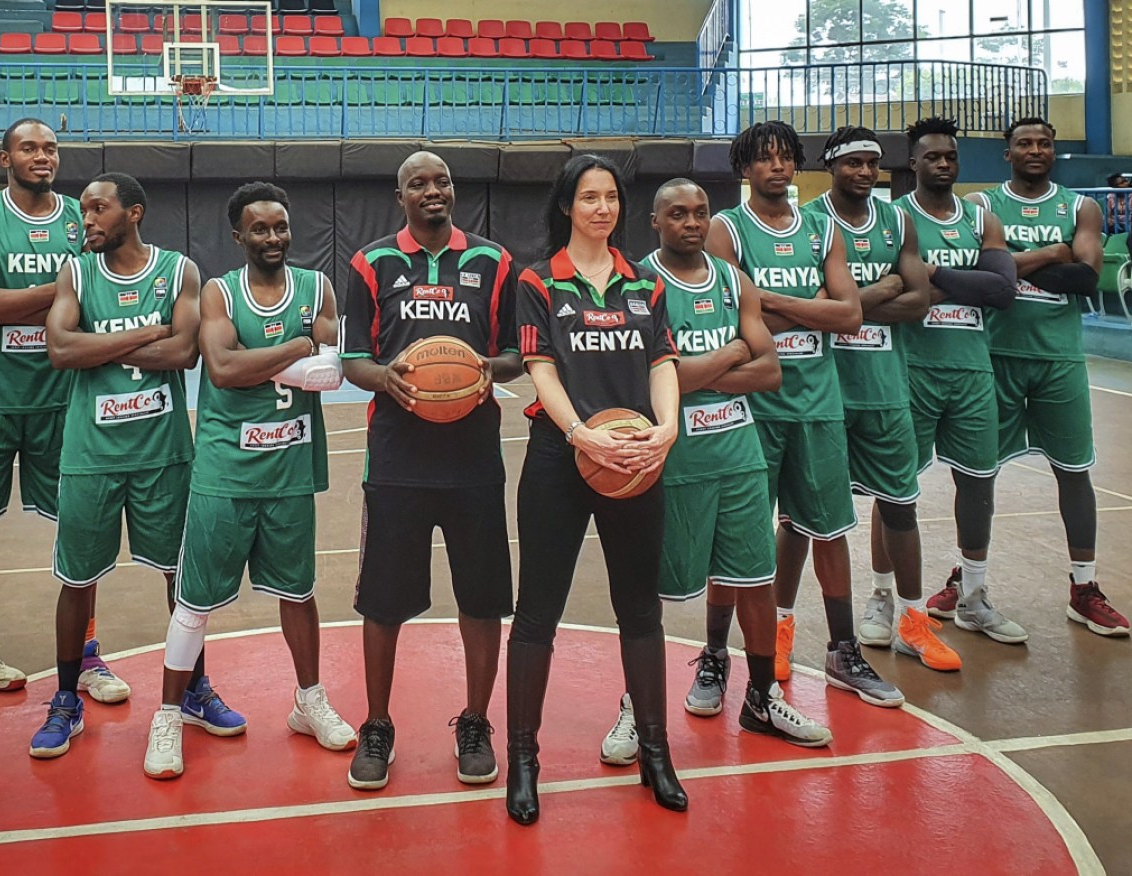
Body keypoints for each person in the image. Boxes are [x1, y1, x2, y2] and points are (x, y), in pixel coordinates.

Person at [600, 179, 831, 765]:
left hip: (739, 453)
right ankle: (637, 704)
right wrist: (730, 353)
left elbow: (770, 371)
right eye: (677, 213)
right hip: (670, 457)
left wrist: (694, 368)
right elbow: (652, 378)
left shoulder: (734, 280)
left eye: (701, 212)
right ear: (654, 221)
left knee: (756, 578)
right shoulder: (638, 283)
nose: (692, 222)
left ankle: (760, 697)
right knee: (651, 589)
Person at [0, 118, 128, 732]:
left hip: (63, 400)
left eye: (52, 147)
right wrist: (57, 289)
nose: (43, 156)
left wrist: (59, 298)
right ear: (3, 156)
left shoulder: (79, 216)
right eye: (30, 147)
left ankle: (86, 655)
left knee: (82, 530)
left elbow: (100, 297)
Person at [143, 181, 354, 779]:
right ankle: (168, 713)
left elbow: (330, 372)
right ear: (238, 236)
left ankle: (308, 700)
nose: (273, 237)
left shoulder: (318, 287)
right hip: (224, 471)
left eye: (281, 227)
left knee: (299, 593)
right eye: (259, 229)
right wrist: (296, 345)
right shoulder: (219, 292)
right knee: (194, 601)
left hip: (289, 469)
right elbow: (225, 368)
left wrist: (293, 358)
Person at [508, 153, 687, 826]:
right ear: (566, 206)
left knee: (640, 610)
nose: (601, 208)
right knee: (537, 613)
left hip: (636, 458)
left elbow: (662, 360)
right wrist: (581, 433)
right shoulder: (537, 281)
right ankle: (523, 761)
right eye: (588, 197)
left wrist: (667, 427)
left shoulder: (644, 282)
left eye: (610, 196)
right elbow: (538, 366)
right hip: (562, 457)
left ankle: (656, 753)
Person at [340, 152, 521, 791]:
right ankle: (378, 725)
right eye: (417, 182)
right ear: (400, 196)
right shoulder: (371, 264)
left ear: (454, 188)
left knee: (482, 599)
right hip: (395, 458)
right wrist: (387, 376)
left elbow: (515, 356)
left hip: (473, 459)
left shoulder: (494, 263)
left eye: (441, 180)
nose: (432, 190)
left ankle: (475, 722)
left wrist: (481, 371)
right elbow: (352, 359)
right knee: (383, 602)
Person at [707, 121, 902, 707]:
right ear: (745, 168)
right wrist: (812, 307)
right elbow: (729, 318)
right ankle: (715, 656)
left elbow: (847, 317)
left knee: (829, 528)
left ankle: (843, 650)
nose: (777, 168)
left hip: (817, 401)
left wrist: (768, 304)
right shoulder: (726, 229)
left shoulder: (821, 230)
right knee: (736, 536)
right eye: (764, 159)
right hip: (752, 406)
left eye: (786, 158)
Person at [32, 172, 220, 758]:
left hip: (163, 453)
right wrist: (148, 331)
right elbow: (60, 350)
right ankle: (66, 700)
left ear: (133, 213)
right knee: (76, 580)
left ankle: (194, 689)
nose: (86, 219)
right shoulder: (78, 273)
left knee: (181, 581)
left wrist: (102, 343)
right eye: (84, 210)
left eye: (98, 209)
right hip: (90, 453)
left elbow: (185, 352)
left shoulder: (178, 271)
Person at [802, 127, 959, 672]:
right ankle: (788, 625)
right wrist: (879, 290)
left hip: (888, 388)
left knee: (899, 505)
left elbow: (918, 302)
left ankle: (913, 620)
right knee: (807, 517)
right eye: (854, 163)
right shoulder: (812, 223)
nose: (866, 172)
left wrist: (850, 306)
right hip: (824, 390)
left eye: (873, 163)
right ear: (831, 167)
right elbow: (811, 306)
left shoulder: (898, 220)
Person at [966, 119, 1127, 636]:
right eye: (1025, 144)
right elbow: (982, 275)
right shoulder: (982, 206)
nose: (1036, 150)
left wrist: (1012, 266)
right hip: (996, 356)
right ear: (1007, 154)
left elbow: (1083, 277)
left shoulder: (1081, 206)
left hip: (1059, 359)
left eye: (1044, 143)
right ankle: (968, 583)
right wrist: (1053, 253)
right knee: (977, 474)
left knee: (1074, 471)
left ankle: (1084, 588)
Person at [893, 117, 1025, 644]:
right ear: (914, 163)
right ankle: (886, 600)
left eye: (950, 155)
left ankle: (972, 596)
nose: (943, 163)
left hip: (972, 369)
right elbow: (897, 294)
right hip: (912, 367)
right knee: (897, 490)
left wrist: (935, 277)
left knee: (977, 483)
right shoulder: (895, 218)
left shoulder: (979, 217)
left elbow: (1002, 289)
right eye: (932, 156)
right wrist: (963, 284)